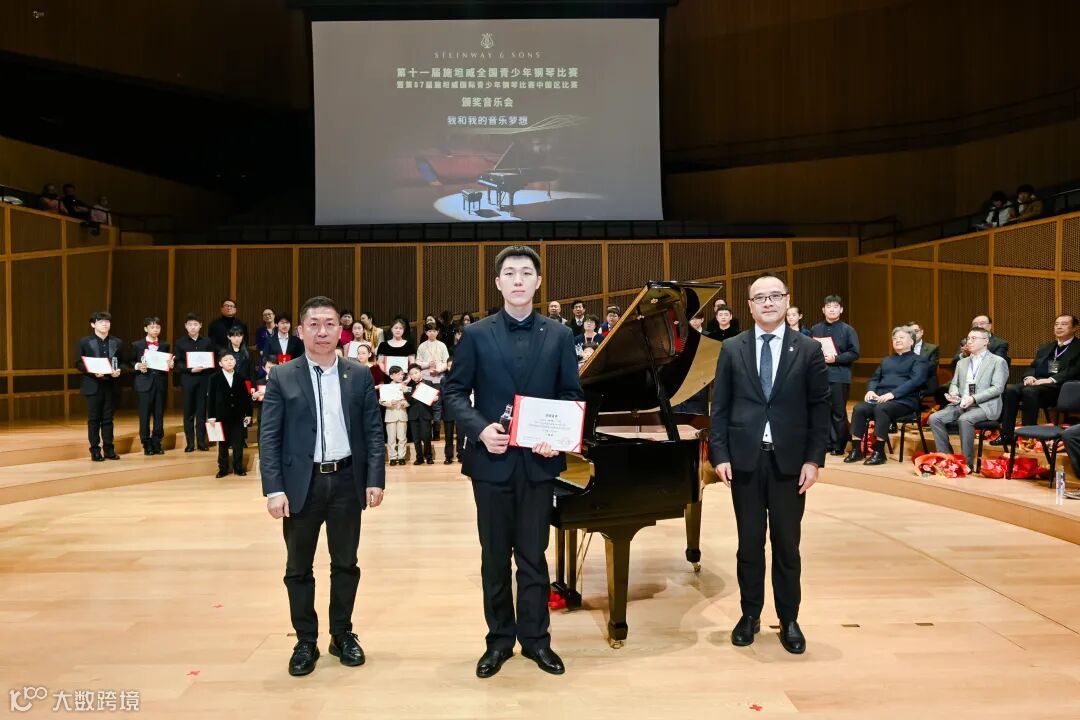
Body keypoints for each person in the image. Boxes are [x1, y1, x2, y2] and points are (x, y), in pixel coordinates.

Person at [444, 245, 583, 679]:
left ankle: (537, 641)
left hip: (538, 464)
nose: (518, 279)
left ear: (538, 282)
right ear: (498, 282)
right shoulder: (476, 335)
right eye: (510, 273)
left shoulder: (559, 335)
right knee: (494, 557)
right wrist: (479, 429)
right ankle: (499, 641)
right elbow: (453, 393)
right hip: (491, 462)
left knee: (533, 556)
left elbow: (571, 395)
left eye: (526, 272)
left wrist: (556, 439)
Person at [260, 295, 386, 677]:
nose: (322, 331)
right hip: (303, 485)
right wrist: (274, 489)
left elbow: (373, 431)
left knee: (346, 563)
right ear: (300, 331)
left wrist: (374, 479)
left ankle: (342, 634)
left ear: (339, 330)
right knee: (298, 567)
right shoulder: (282, 376)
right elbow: (270, 437)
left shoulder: (358, 374)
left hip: (347, 481)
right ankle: (305, 640)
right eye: (313, 324)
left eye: (329, 324)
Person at [708, 273, 829, 655]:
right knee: (749, 544)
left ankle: (789, 619)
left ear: (787, 300)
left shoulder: (807, 349)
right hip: (745, 460)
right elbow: (720, 406)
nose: (768, 302)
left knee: (787, 545)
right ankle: (750, 615)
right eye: (760, 297)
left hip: (790, 464)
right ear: (749, 306)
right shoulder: (732, 348)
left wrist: (814, 459)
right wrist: (719, 454)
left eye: (775, 296)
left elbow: (820, 409)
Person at [991, 315, 1080, 448]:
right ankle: (1007, 435)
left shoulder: (1078, 347)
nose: (1059, 327)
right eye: (1056, 324)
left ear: (1075, 328)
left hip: (1060, 387)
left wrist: (1050, 380)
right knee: (1010, 389)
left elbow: (1074, 370)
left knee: (1029, 391)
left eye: (1064, 324)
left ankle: (1027, 437)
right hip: (1037, 383)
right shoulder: (1046, 347)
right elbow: (1033, 366)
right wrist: (1029, 376)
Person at [843, 326, 928, 465]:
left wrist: (893, 394)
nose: (897, 340)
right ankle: (856, 450)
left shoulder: (919, 360)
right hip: (882, 399)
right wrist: (871, 390)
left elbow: (916, 381)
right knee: (859, 408)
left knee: (881, 409)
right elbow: (874, 379)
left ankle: (879, 452)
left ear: (911, 341)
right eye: (895, 338)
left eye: (901, 337)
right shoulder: (887, 360)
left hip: (905, 401)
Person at [928, 327, 1009, 467]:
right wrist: (954, 393)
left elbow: (997, 388)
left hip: (984, 406)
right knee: (934, 418)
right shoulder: (962, 362)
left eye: (973, 338)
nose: (969, 342)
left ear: (985, 341)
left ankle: (967, 463)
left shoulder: (997, 361)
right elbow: (954, 384)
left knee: (965, 419)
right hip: (962, 403)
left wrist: (974, 398)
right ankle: (946, 457)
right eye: (968, 338)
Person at [809, 295, 860, 455]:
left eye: (835, 307)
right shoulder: (815, 329)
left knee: (838, 412)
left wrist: (836, 358)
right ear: (823, 310)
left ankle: (839, 445)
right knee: (822, 411)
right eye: (828, 307)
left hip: (839, 375)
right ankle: (826, 443)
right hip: (820, 375)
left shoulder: (848, 329)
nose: (832, 309)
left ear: (841, 310)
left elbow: (855, 353)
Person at [75, 311, 123, 461]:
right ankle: (95, 450)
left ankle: (109, 449)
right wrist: (92, 371)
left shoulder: (117, 342)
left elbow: (122, 362)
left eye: (107, 321)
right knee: (94, 419)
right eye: (101, 321)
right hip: (93, 384)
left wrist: (119, 370)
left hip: (111, 384)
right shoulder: (84, 342)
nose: (105, 324)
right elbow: (78, 363)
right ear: (93, 324)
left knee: (108, 419)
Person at [128, 316, 173, 455]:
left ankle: (157, 442)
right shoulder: (137, 345)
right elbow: (129, 362)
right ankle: (146, 443)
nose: (155, 329)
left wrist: (170, 365)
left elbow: (167, 364)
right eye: (152, 327)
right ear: (145, 328)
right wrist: (137, 365)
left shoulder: (165, 345)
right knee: (144, 415)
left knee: (159, 414)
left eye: (158, 327)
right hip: (144, 383)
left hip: (160, 383)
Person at [207, 351, 253, 478]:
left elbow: (246, 397)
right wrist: (211, 416)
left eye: (231, 359)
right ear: (220, 363)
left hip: (238, 415)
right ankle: (223, 468)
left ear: (235, 361)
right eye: (226, 360)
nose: (229, 362)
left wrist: (248, 413)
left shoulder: (240, 377)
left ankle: (238, 467)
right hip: (221, 415)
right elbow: (211, 398)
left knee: (238, 443)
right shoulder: (214, 378)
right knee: (223, 443)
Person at [174, 313, 214, 452]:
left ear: (200, 325)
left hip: (204, 379)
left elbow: (212, 359)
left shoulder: (207, 342)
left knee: (201, 412)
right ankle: (190, 443)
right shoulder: (180, 342)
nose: (193, 327)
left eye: (195, 324)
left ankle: (201, 442)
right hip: (188, 379)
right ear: (186, 326)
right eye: (190, 324)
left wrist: (208, 365)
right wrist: (190, 369)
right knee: (188, 412)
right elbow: (178, 363)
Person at [417, 322, 450, 441]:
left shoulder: (442, 345)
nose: (432, 333)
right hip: (426, 378)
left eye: (434, 331)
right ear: (426, 332)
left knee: (437, 405)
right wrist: (427, 364)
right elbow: (417, 362)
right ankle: (427, 433)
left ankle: (436, 432)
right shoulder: (422, 346)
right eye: (430, 331)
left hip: (439, 378)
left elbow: (446, 362)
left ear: (438, 332)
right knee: (426, 405)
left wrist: (439, 370)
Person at [405, 363, 435, 465]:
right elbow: (410, 400)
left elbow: (434, 398)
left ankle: (429, 457)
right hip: (413, 415)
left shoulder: (429, 383)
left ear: (420, 372)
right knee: (416, 438)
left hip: (425, 413)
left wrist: (435, 398)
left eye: (416, 373)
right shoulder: (409, 387)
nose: (414, 375)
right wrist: (415, 392)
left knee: (426, 437)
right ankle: (419, 458)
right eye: (411, 374)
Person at [381, 366, 409, 466]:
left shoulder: (405, 387)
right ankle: (392, 457)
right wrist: (389, 403)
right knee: (391, 438)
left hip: (402, 414)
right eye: (398, 374)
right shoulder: (386, 387)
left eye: (402, 374)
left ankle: (401, 457)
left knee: (402, 438)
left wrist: (404, 403)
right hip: (390, 415)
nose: (401, 376)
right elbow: (381, 401)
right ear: (391, 376)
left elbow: (410, 400)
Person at [908, 320, 940, 392]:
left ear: (922, 332)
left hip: (926, 386)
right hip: (908, 386)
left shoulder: (932, 348)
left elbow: (931, 368)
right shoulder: (904, 349)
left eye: (916, 331)